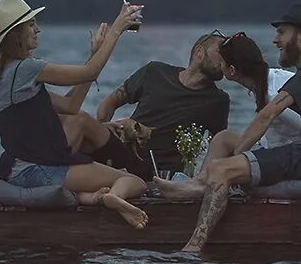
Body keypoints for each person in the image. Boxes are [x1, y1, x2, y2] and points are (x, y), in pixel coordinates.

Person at [181, 5, 301, 252]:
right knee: (226, 155)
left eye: (283, 33)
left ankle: (193, 248)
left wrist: (237, 157)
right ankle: (198, 192)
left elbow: (268, 114)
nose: (276, 40)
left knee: (222, 169)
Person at [0, 0, 149, 229]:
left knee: (81, 125)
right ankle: (116, 197)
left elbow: (71, 106)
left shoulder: (6, 75)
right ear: (17, 33)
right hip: (37, 171)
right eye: (31, 24)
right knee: (134, 181)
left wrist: (94, 54)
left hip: (19, 170)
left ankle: (97, 197)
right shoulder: (26, 69)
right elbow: (90, 74)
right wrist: (117, 29)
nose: (37, 29)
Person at [155, 31, 301, 199]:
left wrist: (240, 159)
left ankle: (201, 186)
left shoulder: (274, 91)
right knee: (224, 138)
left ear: (232, 71)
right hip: (294, 151)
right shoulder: (263, 87)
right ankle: (199, 183)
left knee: (233, 150)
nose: (217, 65)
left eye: (221, 62)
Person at [95, 32, 230, 176]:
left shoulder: (218, 100)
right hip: (125, 163)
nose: (227, 58)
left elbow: (219, 147)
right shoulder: (155, 72)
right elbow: (108, 104)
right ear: (199, 52)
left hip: (169, 174)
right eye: (221, 51)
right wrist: (103, 143)